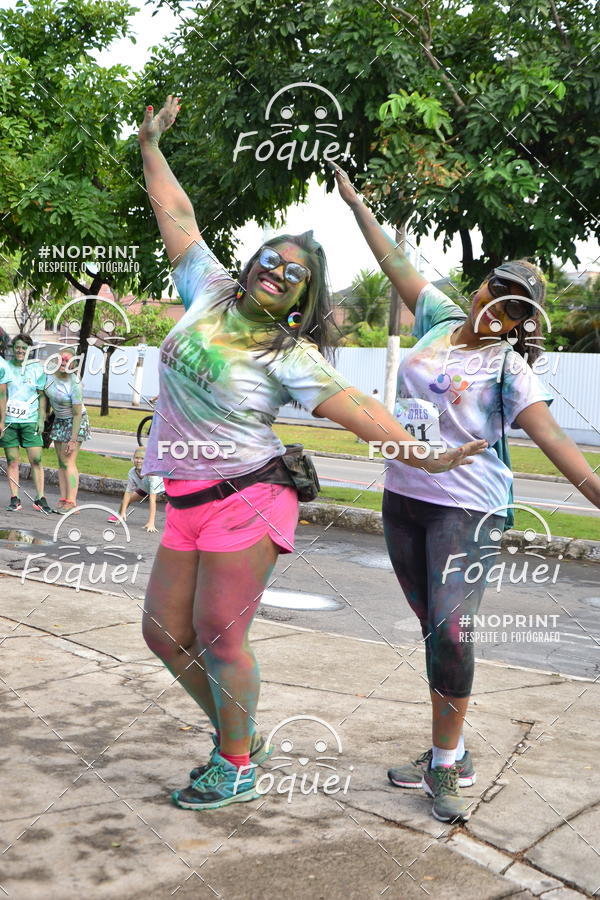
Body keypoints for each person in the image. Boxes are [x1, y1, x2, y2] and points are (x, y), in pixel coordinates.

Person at [136, 95, 487, 813]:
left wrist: (420, 453)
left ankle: (236, 762)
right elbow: (176, 212)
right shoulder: (204, 289)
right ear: (250, 261)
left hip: (249, 498)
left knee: (216, 637)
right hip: (184, 499)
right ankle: (241, 734)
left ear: (299, 298)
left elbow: (361, 410)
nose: (277, 268)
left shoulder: (288, 354)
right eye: (271, 256)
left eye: (293, 272)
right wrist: (150, 145)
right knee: (164, 634)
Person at [333, 164, 600, 824]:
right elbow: (393, 259)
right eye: (495, 290)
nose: (495, 306)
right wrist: (356, 202)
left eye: (513, 306)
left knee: (453, 631)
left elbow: (556, 442)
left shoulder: (508, 368)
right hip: (405, 500)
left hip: (469, 509)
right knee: (435, 636)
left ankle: (446, 764)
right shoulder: (439, 315)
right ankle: (443, 748)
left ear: (519, 323)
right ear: (481, 285)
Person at [0, 334, 52, 513]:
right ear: (12, 348)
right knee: (12, 461)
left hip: (30, 421)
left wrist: (41, 418)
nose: (20, 350)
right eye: (17, 347)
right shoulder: (5, 367)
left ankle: (40, 498)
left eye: (24, 348)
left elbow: (42, 395)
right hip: (10, 422)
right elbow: (2, 395)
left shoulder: (36, 369)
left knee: (36, 460)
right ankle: (15, 499)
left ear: (29, 350)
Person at [44, 348, 91, 514]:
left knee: (69, 461)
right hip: (59, 420)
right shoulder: (49, 374)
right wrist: (43, 413)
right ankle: (63, 499)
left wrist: (73, 439)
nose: (64, 364)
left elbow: (77, 413)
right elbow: (43, 393)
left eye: (68, 362)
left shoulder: (75, 383)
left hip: (76, 422)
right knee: (61, 462)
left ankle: (72, 502)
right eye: (62, 360)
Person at [108, 447, 164, 533]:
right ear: (133, 458)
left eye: (142, 458)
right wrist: (123, 512)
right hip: (146, 488)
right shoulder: (132, 472)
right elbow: (128, 492)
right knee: (127, 500)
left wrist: (151, 523)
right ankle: (118, 514)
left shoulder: (152, 474)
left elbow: (152, 499)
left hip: (166, 487)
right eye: (137, 458)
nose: (138, 461)